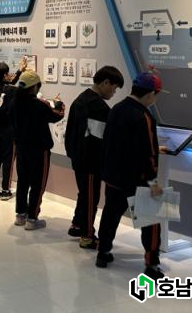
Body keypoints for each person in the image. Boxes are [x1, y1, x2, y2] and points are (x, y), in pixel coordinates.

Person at [96, 71, 165, 279]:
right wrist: (153, 181)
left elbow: (108, 142)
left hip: (114, 177)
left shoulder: (116, 109)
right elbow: (148, 152)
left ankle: (103, 252)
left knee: (110, 216)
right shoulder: (144, 116)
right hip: (138, 179)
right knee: (150, 221)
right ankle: (152, 265)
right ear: (151, 94)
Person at [65, 66, 124, 249]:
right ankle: (87, 236)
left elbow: (71, 131)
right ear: (105, 82)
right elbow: (100, 140)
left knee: (84, 193)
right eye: (114, 88)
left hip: (78, 157)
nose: (114, 93)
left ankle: (77, 225)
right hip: (90, 161)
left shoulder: (81, 99)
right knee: (91, 197)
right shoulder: (98, 107)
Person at [11, 70, 64, 230]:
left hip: (21, 148)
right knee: (38, 184)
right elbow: (56, 116)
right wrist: (60, 105)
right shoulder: (39, 104)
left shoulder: (15, 102)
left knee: (22, 182)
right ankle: (32, 219)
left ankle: (20, 215)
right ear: (35, 87)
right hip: (39, 150)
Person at [0, 58, 27, 201]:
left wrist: (20, 70)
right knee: (8, 160)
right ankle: (5, 190)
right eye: (8, 73)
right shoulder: (12, 90)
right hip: (9, 130)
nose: (10, 75)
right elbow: (16, 87)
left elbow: (8, 84)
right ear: (4, 76)